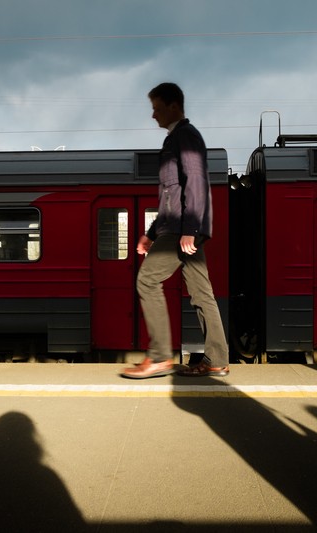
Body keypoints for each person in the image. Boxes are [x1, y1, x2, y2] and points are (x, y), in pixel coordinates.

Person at [121, 82, 229, 379]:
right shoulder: (178, 138)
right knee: (202, 294)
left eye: (156, 108)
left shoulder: (185, 136)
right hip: (178, 226)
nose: (153, 115)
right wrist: (151, 233)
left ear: (173, 106)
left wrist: (190, 229)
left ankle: (159, 357)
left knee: (147, 281)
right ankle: (217, 360)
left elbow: (194, 181)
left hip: (183, 228)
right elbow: (172, 195)